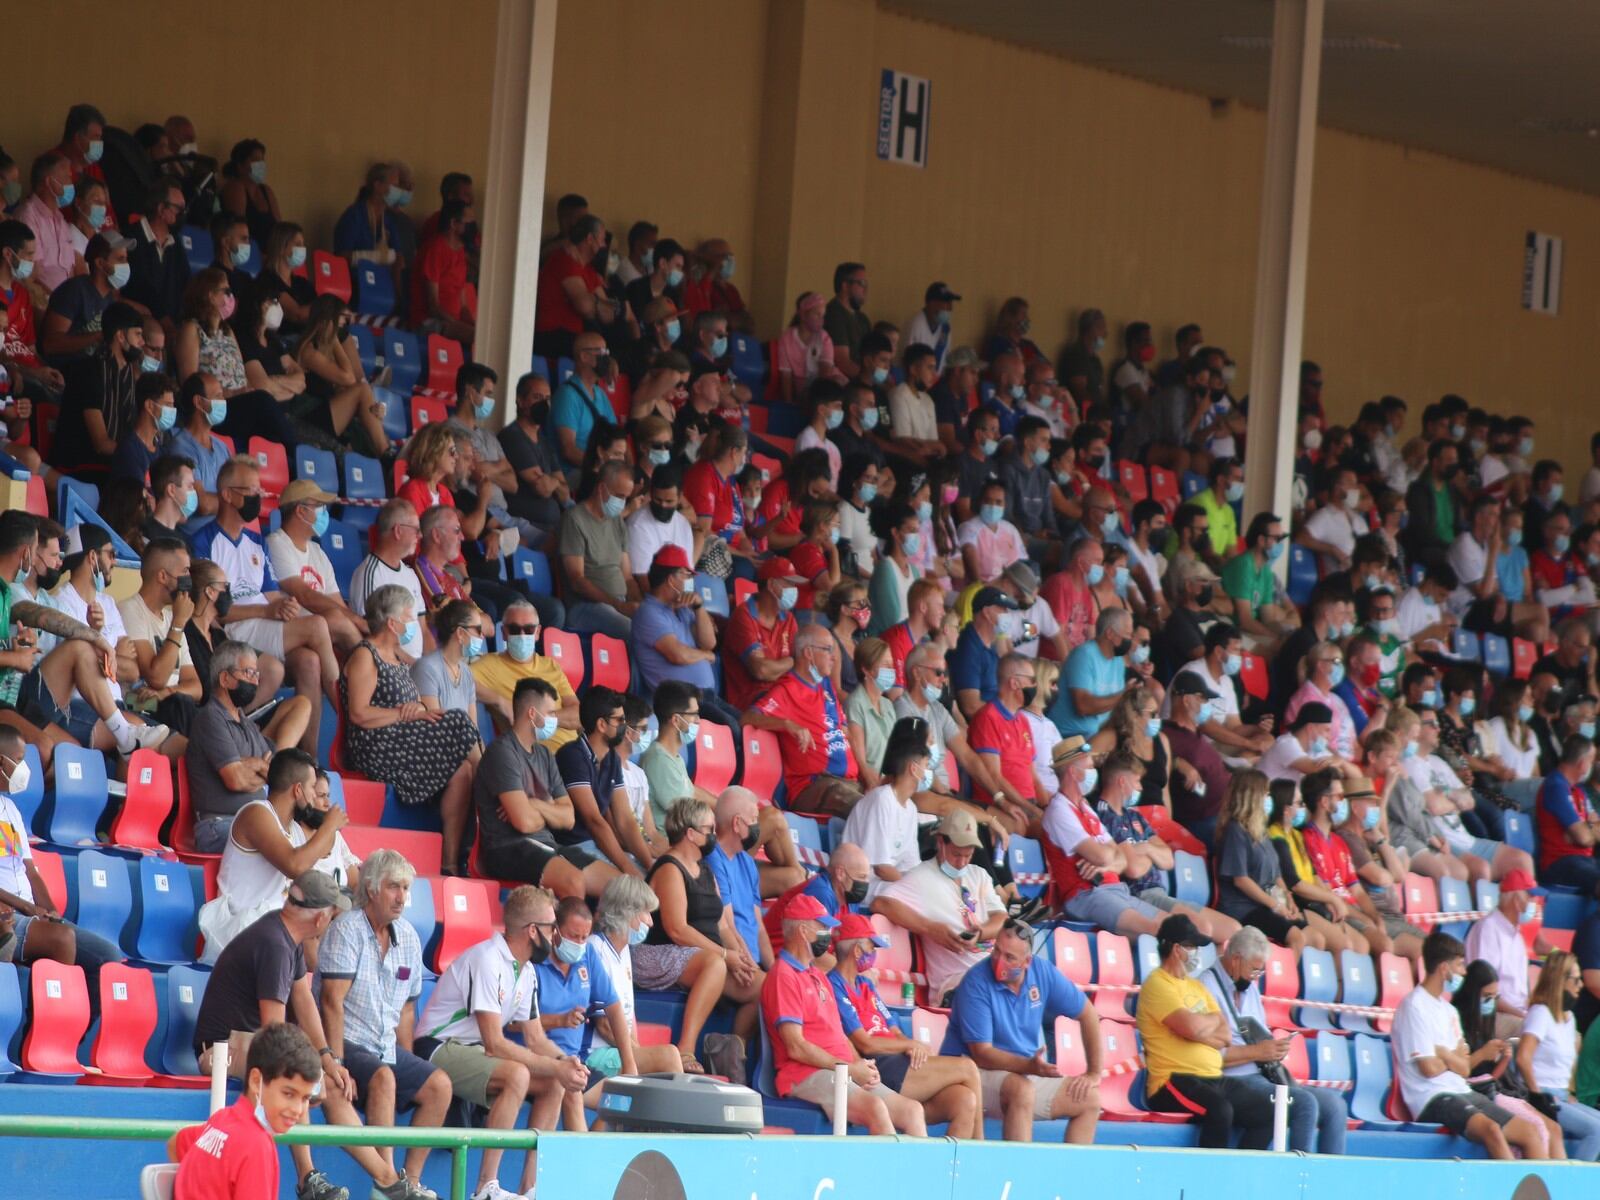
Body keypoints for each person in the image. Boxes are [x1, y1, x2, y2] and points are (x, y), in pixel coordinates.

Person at [192, 871, 402, 1200]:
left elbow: (303, 1000)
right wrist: (314, 1067)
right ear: (320, 918)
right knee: (300, 1072)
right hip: (221, 1049)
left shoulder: (287, 933)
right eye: (333, 915)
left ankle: (387, 1180)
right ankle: (309, 1181)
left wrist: (328, 1057)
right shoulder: (274, 943)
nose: (332, 922)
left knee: (328, 1079)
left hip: (249, 1040)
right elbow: (275, 1034)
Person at [416, 886, 587, 1200]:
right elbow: (495, 1043)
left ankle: (529, 1186)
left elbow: (535, 1038)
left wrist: (566, 1063)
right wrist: (554, 1065)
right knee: (517, 1075)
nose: (556, 937)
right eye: (552, 928)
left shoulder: (528, 971)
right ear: (533, 931)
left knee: (554, 1083)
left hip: (473, 1051)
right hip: (436, 1046)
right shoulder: (487, 959)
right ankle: (486, 1187)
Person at [315, 848, 452, 1200]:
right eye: (394, 887)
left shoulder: (408, 936)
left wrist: (408, 1061)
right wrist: (337, 1063)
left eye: (406, 888)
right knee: (384, 1076)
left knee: (438, 1085)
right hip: (348, 1041)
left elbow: (408, 1010)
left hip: (384, 1045)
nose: (402, 897)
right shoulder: (346, 929)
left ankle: (411, 1181)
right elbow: (331, 1001)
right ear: (373, 889)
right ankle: (387, 1185)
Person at [191, 456, 339, 751]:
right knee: (319, 625)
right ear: (227, 494)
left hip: (262, 625)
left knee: (309, 662)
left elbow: (272, 596)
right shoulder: (203, 541)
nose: (258, 498)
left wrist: (285, 609)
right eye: (251, 491)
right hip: (236, 629)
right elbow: (212, 611)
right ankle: (347, 714)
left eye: (260, 492)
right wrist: (267, 610)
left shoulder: (257, 543)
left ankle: (306, 760)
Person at [760, 893, 929, 1135]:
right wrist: (848, 1069)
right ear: (804, 931)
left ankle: (916, 1174)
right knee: (875, 1107)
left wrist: (859, 1064)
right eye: (823, 927)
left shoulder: (817, 974)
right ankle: (887, 1174)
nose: (828, 935)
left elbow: (839, 1034)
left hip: (840, 1070)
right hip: (805, 1074)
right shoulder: (783, 976)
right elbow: (796, 1047)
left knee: (912, 1110)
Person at [342, 585, 479, 873]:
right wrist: (401, 715)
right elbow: (358, 713)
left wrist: (416, 710)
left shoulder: (400, 656)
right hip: (377, 746)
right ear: (392, 623)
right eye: (409, 616)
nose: (413, 623)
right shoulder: (366, 655)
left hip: (404, 739)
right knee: (457, 721)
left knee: (464, 772)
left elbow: (415, 706)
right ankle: (495, 793)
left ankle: (451, 861)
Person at [939, 915, 1102, 1144]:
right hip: (971, 1074)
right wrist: (1030, 1066)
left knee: (1090, 1099)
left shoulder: (1042, 972)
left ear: (1027, 962)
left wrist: (1094, 1073)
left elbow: (1088, 1014)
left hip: (1023, 1072)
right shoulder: (975, 982)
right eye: (997, 951)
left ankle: (1071, 1179)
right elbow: (981, 1054)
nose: (998, 960)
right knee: (1021, 1090)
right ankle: (1017, 1175)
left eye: (1009, 957)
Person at [0, 725, 126, 1018]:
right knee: (62, 940)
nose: (22, 769)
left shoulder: (11, 810)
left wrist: (51, 911)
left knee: (108, 957)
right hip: (8, 911)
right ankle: (42, 1030)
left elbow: (30, 871)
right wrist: (28, 907)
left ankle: (73, 1039)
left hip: (28, 910)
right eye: (17, 761)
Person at [1391, 930, 1549, 1159]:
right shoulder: (1414, 1006)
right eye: (1459, 965)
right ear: (1444, 968)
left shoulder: (1449, 1011)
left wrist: (1443, 1053)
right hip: (1431, 1097)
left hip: (1461, 1090)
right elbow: (1429, 1069)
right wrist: (1453, 1057)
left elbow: (1465, 1068)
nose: (1464, 972)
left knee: (1530, 1133)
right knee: (1492, 1130)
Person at [1200, 926, 1347, 1154]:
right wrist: (1260, 1052)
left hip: (1261, 1077)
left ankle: (1329, 1181)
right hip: (1231, 1080)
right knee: (1305, 1104)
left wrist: (1273, 1049)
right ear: (1236, 959)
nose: (1256, 977)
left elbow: (1259, 1035)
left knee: (1336, 1106)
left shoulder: (1250, 988)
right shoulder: (1206, 987)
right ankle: (1299, 1180)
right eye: (1254, 971)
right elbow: (1207, 1058)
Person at [197, 748, 349, 963]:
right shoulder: (256, 813)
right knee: (312, 947)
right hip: (242, 928)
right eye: (312, 788)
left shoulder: (294, 830)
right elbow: (294, 866)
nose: (315, 795)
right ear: (298, 790)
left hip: (276, 931)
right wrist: (329, 827)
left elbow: (307, 878)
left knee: (331, 932)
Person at [1135, 914, 1274, 1147]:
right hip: (1171, 1080)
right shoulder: (1157, 983)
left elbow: (1225, 1035)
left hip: (1211, 1078)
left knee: (1268, 1112)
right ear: (1177, 949)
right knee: (1220, 1110)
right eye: (1193, 946)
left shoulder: (1195, 985)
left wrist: (1200, 1027)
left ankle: (1237, 1174)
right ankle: (1209, 1180)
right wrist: (1202, 1026)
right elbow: (1192, 1027)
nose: (1197, 953)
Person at [474, 674, 617, 900]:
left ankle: (597, 935)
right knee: (573, 880)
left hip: (547, 845)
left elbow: (568, 818)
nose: (554, 720)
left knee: (618, 886)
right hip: (508, 848)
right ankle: (570, 935)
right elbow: (524, 822)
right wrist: (549, 809)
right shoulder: (503, 752)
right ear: (532, 713)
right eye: (550, 713)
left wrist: (534, 804)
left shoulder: (545, 754)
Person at [642, 798, 754, 1060]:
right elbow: (677, 929)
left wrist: (742, 957)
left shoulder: (705, 869)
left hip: (708, 954)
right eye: (710, 830)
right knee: (715, 964)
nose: (715, 835)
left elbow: (722, 925)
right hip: (666, 952)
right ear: (690, 834)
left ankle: (730, 1052)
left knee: (766, 987)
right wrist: (726, 957)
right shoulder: (670, 868)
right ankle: (686, 1050)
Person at [168, 1024, 323, 1200]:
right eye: (288, 1094)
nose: (297, 1110)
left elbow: (176, 1142)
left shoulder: (222, 1119)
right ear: (256, 1081)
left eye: (305, 1098)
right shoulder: (256, 1145)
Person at [184, 640, 312, 852]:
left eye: (256, 675)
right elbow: (236, 779)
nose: (254, 681)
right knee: (287, 851)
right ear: (225, 678)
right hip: (219, 826)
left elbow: (275, 774)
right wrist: (261, 771)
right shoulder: (210, 719)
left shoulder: (248, 725)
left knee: (304, 843)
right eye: (248, 673)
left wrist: (257, 766)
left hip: (254, 822)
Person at [873, 810, 1007, 1004]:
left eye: (968, 856)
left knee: (1036, 972)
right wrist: (930, 928)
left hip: (992, 971)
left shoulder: (979, 874)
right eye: (956, 854)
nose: (961, 862)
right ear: (940, 843)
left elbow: (1002, 919)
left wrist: (981, 933)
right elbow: (881, 903)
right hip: (956, 982)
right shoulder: (922, 876)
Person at [534, 896, 638, 1128]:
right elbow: (516, 1023)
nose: (579, 943)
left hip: (576, 1061)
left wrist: (629, 1064)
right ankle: (581, 1159)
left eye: (584, 937)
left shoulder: (587, 955)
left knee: (621, 1099)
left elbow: (613, 1006)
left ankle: (589, 1154)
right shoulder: (534, 962)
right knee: (572, 1085)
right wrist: (559, 1020)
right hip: (538, 1060)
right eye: (573, 936)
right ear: (555, 931)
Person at [743, 624, 860, 817]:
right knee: (869, 810)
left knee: (889, 805)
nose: (834, 657)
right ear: (808, 653)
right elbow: (747, 717)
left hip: (851, 784)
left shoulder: (826, 686)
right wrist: (786, 724)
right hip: (816, 786)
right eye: (828, 650)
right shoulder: (787, 690)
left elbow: (845, 732)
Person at [587, 875, 689, 1083]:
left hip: (616, 1051)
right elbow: (605, 1026)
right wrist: (635, 1056)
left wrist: (638, 1053)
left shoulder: (624, 952)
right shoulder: (594, 949)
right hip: (593, 1053)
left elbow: (628, 1015)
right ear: (627, 911)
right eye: (646, 914)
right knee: (668, 1055)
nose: (651, 923)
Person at [555, 686, 653, 878]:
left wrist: (650, 866)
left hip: (599, 845)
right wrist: (628, 868)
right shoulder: (572, 756)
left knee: (653, 879)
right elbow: (594, 821)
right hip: (573, 847)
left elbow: (625, 819)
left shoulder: (611, 759)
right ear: (601, 725)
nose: (625, 726)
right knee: (631, 887)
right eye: (620, 720)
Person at [267, 479, 366, 659]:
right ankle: (376, 670)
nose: (324, 513)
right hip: (290, 628)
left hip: (320, 630)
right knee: (338, 620)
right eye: (319, 506)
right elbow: (305, 596)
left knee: (343, 620)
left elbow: (337, 602)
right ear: (300, 511)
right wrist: (358, 621)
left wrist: (358, 623)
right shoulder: (276, 543)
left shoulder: (317, 551)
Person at [1516, 949, 1600, 1159]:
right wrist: (1537, 1096)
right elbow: (1523, 1058)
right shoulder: (1541, 1013)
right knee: (1596, 1131)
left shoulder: (1569, 1018)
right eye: (1576, 980)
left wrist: (1568, 1092)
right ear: (1560, 980)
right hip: (1541, 1094)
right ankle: (1575, 1185)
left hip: (1561, 1095)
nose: (1580, 985)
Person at [471, 601, 579, 746]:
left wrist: (547, 718)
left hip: (575, 752)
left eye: (529, 629)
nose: (522, 635)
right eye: (514, 629)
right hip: (536, 761)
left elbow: (578, 715)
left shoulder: (550, 665)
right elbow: (457, 679)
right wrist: (499, 701)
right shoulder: (489, 665)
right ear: (504, 633)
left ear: (538, 632)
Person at [559, 459, 639, 638]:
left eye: (626, 497)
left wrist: (640, 605)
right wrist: (619, 607)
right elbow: (577, 581)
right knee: (634, 632)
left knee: (655, 629)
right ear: (602, 489)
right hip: (586, 607)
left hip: (620, 604)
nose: (623, 503)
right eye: (619, 496)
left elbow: (628, 577)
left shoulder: (617, 520)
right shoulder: (575, 519)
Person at [1464, 867, 1544, 1036]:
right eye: (1530, 896)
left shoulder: (1516, 934)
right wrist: (1523, 1015)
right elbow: (1485, 991)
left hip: (1517, 1014)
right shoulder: (1489, 928)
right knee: (1537, 1035)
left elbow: (1523, 991)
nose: (1534, 902)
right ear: (1516, 899)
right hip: (1491, 1015)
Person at [1050, 607, 1134, 739]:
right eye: (1128, 634)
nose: (1130, 640)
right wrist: (1123, 696)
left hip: (1098, 737)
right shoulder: (1084, 656)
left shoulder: (1118, 661)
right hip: (1069, 739)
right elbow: (1083, 706)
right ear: (1110, 633)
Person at [1537, 734, 1600, 894]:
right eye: (1592, 760)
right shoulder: (1556, 786)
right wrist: (1586, 830)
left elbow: (1590, 830)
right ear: (1582, 763)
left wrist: (1586, 828)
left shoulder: (1579, 790)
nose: (1593, 765)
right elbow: (1584, 838)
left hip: (1584, 860)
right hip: (1560, 863)